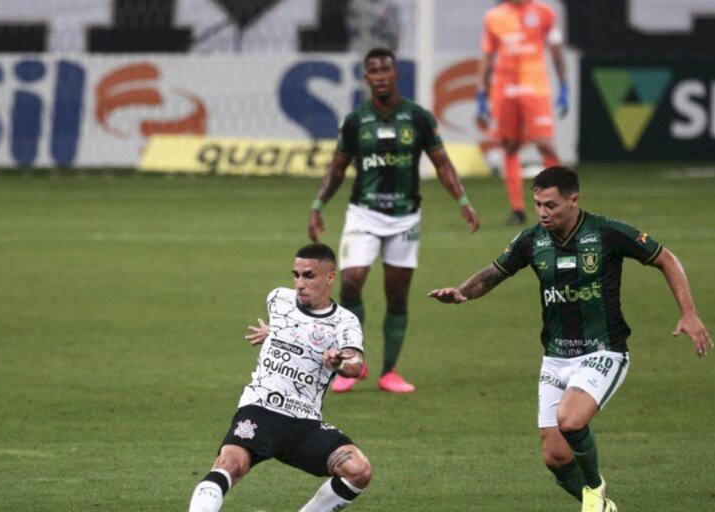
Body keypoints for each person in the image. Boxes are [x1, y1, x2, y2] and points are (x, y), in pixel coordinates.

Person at [428, 166, 713, 511]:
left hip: (603, 350)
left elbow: (664, 258)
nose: (543, 213)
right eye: (537, 205)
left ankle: (594, 488)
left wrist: (689, 312)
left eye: (551, 205)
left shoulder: (607, 232)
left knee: (572, 419)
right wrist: (462, 292)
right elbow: (494, 272)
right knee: (555, 456)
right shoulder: (532, 240)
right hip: (555, 356)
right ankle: (603, 507)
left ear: (574, 200)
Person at [309, 47, 479, 394]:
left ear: (396, 73)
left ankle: (390, 371)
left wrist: (462, 200)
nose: (381, 76)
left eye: (386, 70)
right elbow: (337, 167)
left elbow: (442, 162)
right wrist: (318, 204)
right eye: (373, 71)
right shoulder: (356, 120)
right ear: (366, 77)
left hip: (405, 217)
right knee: (352, 282)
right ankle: (354, 362)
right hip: (364, 212)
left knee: (397, 294)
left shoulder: (417, 117)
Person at [188, 243, 372, 512]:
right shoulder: (278, 299)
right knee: (229, 465)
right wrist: (274, 334)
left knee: (359, 470)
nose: (299, 283)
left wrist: (339, 362)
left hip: (304, 422)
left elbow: (355, 364)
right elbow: (294, 328)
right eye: (295, 275)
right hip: (260, 408)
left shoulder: (345, 322)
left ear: (330, 277)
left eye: (309, 275)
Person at [477, 0, 569, 225]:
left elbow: (556, 50)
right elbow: (488, 56)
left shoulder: (545, 13)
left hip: (535, 87)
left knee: (544, 143)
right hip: (505, 88)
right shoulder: (494, 16)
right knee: (509, 145)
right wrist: (482, 92)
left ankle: (563, 204)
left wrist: (564, 84)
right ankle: (517, 210)